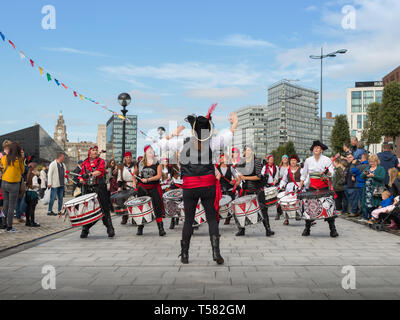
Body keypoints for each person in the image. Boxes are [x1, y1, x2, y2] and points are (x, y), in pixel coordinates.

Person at [160, 107, 238, 265]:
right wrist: (234, 123)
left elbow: (163, 144)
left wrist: (173, 133)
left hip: (190, 186)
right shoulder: (213, 142)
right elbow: (228, 135)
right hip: (207, 185)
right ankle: (216, 253)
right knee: (211, 220)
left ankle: (184, 255)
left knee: (188, 220)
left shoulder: (182, 142)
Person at [299, 141, 338, 238]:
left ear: (321, 150)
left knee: (328, 207)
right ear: (312, 149)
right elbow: (303, 175)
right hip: (312, 187)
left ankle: (332, 229)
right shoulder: (308, 160)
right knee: (308, 208)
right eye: (315, 148)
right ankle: (307, 228)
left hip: (324, 187)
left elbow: (332, 174)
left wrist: (327, 172)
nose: (317, 149)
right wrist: (300, 186)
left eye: (319, 148)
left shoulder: (327, 160)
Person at [235, 146, 275, 237]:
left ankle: (268, 229)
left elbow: (258, 176)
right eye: (246, 150)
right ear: (244, 152)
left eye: (250, 150)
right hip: (245, 189)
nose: (248, 152)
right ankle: (241, 229)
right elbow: (240, 176)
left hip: (257, 189)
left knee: (263, 209)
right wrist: (237, 181)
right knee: (241, 209)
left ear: (253, 152)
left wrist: (245, 177)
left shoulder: (256, 162)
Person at [79, 146, 115, 239]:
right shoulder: (85, 162)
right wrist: (81, 179)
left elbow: (100, 171)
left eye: (96, 150)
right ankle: (85, 229)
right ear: (89, 152)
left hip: (100, 187)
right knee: (88, 210)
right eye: (93, 150)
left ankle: (110, 228)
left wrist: (89, 174)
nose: (95, 152)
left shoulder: (101, 161)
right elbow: (81, 175)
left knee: (104, 208)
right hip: (88, 188)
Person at [135, 146, 166, 236]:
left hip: (154, 187)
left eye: (152, 150)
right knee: (141, 207)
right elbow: (135, 174)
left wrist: (148, 180)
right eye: (149, 151)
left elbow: (159, 176)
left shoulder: (157, 163)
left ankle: (161, 228)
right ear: (145, 152)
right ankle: (140, 227)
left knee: (157, 207)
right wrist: (134, 182)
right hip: (143, 188)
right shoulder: (140, 163)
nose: (151, 152)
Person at [0, 142, 24, 232]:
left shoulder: (4, 158)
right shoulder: (19, 160)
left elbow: (1, 166)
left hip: (4, 182)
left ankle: (3, 224)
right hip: (13, 184)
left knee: (5, 204)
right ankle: (10, 227)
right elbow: (22, 171)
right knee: (11, 206)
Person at [360, 154, 386, 221]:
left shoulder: (381, 168)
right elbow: (361, 177)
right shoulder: (368, 168)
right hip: (367, 189)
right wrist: (364, 174)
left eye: (373, 162)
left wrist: (373, 175)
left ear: (377, 161)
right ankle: (367, 217)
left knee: (376, 204)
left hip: (376, 190)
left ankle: (375, 218)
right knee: (367, 204)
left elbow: (382, 178)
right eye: (370, 162)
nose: (371, 163)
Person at [216, 153, 238, 225]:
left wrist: (234, 181)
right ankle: (217, 219)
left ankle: (229, 218)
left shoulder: (230, 168)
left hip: (230, 189)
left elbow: (236, 178)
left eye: (224, 158)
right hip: (220, 189)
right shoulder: (216, 168)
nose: (222, 159)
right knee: (219, 205)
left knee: (231, 205)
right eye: (221, 158)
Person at [279, 154, 301, 225]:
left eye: (294, 160)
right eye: (291, 160)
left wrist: (301, 185)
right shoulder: (287, 170)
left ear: (297, 161)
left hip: (299, 187)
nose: (293, 162)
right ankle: (286, 219)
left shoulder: (301, 169)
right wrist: (282, 185)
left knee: (301, 202)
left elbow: (305, 179)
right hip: (289, 188)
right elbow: (284, 180)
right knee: (286, 203)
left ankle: (302, 216)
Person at [117, 152, 137, 225]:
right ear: (125, 158)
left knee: (134, 202)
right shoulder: (121, 167)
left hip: (134, 185)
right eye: (127, 157)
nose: (128, 158)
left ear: (131, 158)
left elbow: (138, 175)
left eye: (129, 157)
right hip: (125, 186)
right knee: (125, 203)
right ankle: (125, 217)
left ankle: (134, 218)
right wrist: (119, 187)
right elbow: (119, 178)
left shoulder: (135, 166)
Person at [351, 153, 369, 221]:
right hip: (368, 185)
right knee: (368, 201)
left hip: (360, 185)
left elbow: (352, 170)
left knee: (362, 201)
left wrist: (353, 164)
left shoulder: (360, 166)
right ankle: (369, 216)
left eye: (361, 157)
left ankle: (364, 216)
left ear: (364, 157)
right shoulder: (369, 165)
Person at [344, 153, 360, 217]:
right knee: (351, 199)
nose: (348, 158)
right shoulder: (348, 164)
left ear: (353, 158)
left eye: (350, 157)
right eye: (347, 157)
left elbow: (355, 171)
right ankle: (356, 211)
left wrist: (354, 175)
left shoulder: (356, 164)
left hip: (353, 185)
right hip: (348, 184)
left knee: (353, 199)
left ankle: (354, 212)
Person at [25, 162, 41, 227]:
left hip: (28, 192)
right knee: (32, 208)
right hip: (33, 193)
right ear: (34, 168)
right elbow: (34, 185)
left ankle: (27, 221)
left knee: (28, 208)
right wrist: (38, 185)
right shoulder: (34, 176)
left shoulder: (28, 174)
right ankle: (32, 221)